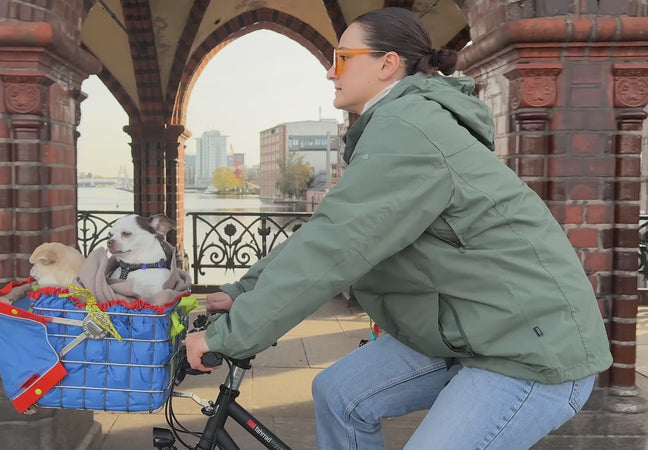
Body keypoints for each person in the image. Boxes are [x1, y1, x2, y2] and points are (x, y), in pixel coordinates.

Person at [185, 7, 612, 449]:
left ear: (387, 63)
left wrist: (227, 337)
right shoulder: (397, 124)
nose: (332, 72)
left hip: (528, 349)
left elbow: (333, 250)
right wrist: (243, 291)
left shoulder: (406, 127)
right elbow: (330, 231)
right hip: (473, 328)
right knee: (339, 395)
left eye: (343, 58)